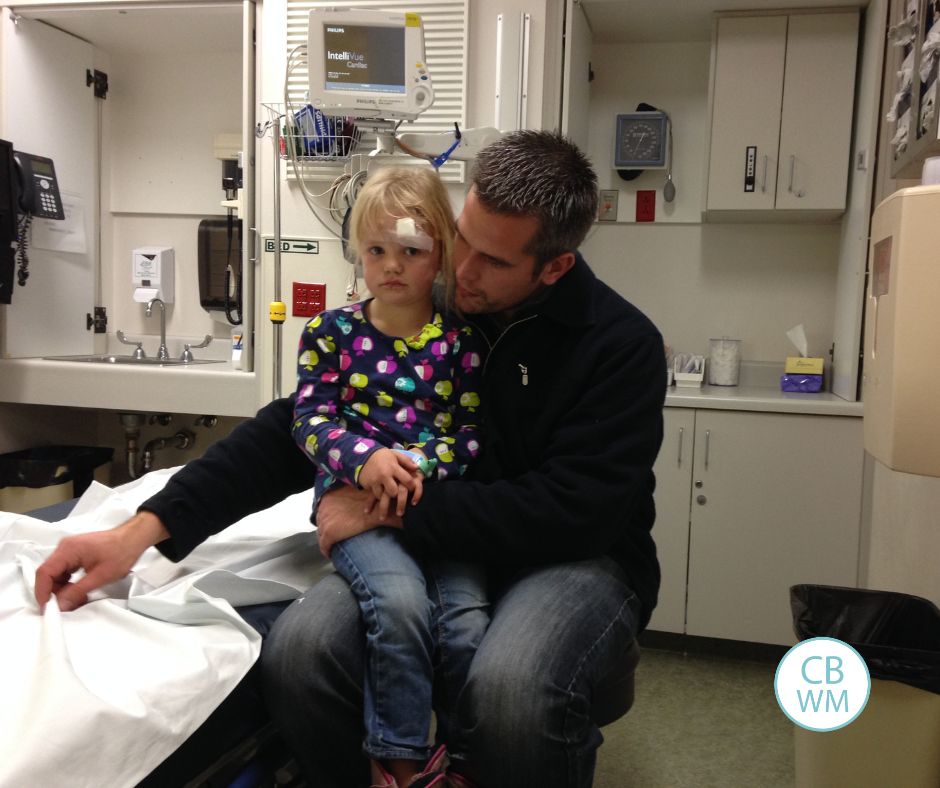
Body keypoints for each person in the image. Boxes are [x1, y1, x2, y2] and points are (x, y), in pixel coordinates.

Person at [34, 130, 666, 788]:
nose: (463, 271)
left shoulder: (620, 347)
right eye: (462, 241)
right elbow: (296, 426)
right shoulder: (438, 309)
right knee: (301, 653)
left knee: (510, 688)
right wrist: (140, 531)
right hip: (438, 540)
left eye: (493, 261)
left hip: (571, 557)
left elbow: (573, 512)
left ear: (554, 267)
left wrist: (383, 509)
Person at [291, 165, 488, 786]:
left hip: (436, 506)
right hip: (359, 507)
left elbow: (471, 436)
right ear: (357, 252)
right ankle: (400, 763)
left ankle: (458, 758)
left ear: (443, 257)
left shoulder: (461, 343)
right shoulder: (331, 334)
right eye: (377, 250)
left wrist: (414, 465)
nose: (392, 266)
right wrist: (365, 460)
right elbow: (308, 420)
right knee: (401, 604)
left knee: (466, 625)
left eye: (411, 251)